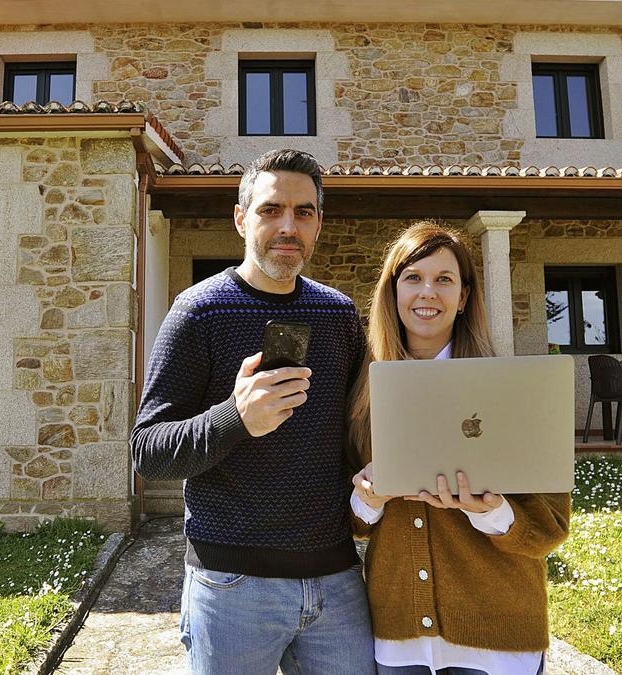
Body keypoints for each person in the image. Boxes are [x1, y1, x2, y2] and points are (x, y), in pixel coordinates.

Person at [132, 149, 375, 674]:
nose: (288, 227)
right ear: (241, 218)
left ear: (318, 224)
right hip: (232, 586)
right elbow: (148, 450)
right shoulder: (199, 312)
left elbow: (360, 429)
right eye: (271, 210)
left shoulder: (338, 315)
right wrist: (236, 418)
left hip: (335, 580)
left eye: (303, 212)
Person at [347, 222, 571, 675]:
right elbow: (351, 524)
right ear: (392, 292)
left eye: (444, 279)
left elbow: (552, 528)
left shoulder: (513, 392)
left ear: (464, 297)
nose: (427, 292)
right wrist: (366, 501)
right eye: (413, 278)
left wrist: (489, 511)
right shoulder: (362, 395)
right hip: (398, 640)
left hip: (499, 641)